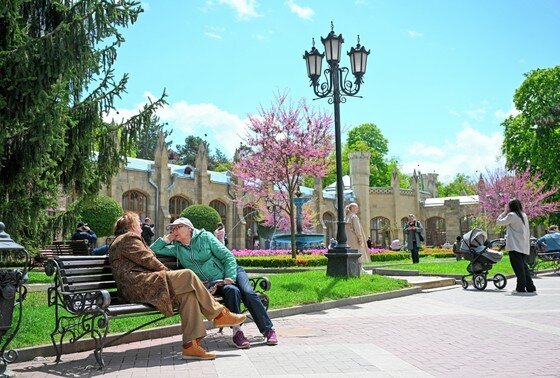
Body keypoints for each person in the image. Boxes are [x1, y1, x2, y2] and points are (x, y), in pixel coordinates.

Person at [108, 212, 246, 360]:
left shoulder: (125, 240)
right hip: (139, 286)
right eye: (138, 223)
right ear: (131, 226)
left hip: (142, 286)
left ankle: (190, 346)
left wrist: (168, 243)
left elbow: (149, 255)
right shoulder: (128, 238)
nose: (141, 227)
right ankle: (219, 314)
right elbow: (149, 260)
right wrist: (170, 274)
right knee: (187, 275)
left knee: (189, 295)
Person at [151, 217, 278, 349]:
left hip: (231, 271)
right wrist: (167, 239)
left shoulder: (205, 237)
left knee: (248, 293)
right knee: (232, 291)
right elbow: (152, 250)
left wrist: (229, 276)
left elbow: (227, 256)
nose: (174, 230)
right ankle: (237, 333)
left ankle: (268, 330)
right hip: (213, 283)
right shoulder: (176, 248)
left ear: (189, 228)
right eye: (173, 228)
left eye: (178, 227)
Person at [496, 199, 536, 295]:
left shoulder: (512, 215)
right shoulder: (523, 215)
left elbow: (498, 222)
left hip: (515, 245)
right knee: (523, 267)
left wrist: (504, 212)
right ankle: (530, 286)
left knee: (518, 268)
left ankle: (521, 287)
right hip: (523, 245)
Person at [344, 203, 370, 268]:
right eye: (356, 208)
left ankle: (352, 267)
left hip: (348, 239)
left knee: (351, 253)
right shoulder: (354, 216)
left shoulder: (346, 217)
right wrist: (360, 238)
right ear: (352, 208)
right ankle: (359, 268)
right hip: (355, 238)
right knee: (358, 252)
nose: (358, 209)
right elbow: (357, 228)